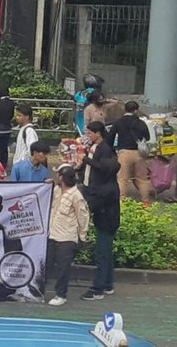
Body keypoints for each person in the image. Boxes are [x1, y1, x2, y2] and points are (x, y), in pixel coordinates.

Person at [79, 121, 121, 300]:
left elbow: (101, 167)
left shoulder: (105, 152)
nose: (88, 135)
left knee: (102, 252)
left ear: (98, 133)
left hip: (106, 216)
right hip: (106, 214)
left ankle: (98, 289)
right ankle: (108, 284)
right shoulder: (96, 148)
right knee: (106, 250)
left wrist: (86, 159)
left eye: (90, 132)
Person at [44, 166, 89, 306]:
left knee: (63, 269)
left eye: (58, 174)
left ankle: (61, 295)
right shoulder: (57, 190)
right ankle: (39, 290)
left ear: (62, 177)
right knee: (46, 264)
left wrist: (82, 236)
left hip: (67, 237)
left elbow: (83, 217)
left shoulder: (76, 196)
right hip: (52, 234)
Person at [113, 101, 153, 203]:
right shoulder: (141, 123)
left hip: (124, 153)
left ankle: (122, 201)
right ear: (136, 110)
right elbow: (147, 137)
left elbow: (110, 137)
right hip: (139, 153)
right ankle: (146, 201)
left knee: (123, 179)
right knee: (142, 179)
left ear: (125, 109)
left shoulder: (119, 122)